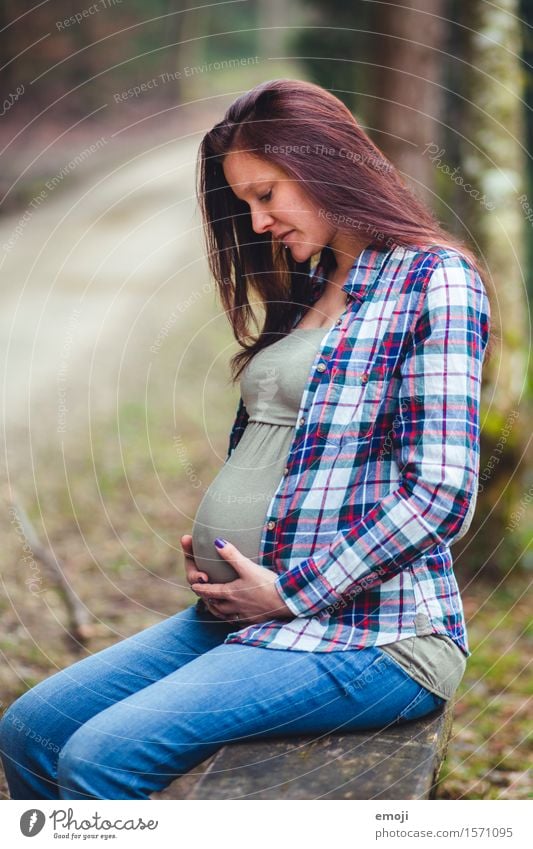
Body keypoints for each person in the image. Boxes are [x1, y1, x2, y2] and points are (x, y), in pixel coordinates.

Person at [0, 79, 492, 800]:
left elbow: (440, 492)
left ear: (325, 165)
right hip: (251, 611)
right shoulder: (314, 282)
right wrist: (230, 544)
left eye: (266, 194)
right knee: (31, 730)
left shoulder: (434, 280)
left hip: (373, 635)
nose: (258, 222)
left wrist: (289, 588)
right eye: (245, 203)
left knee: (100, 757)